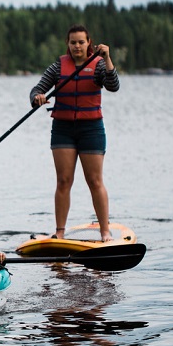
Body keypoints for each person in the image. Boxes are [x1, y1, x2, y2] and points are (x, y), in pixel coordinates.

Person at [29, 24, 120, 241]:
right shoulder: (58, 68)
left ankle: (104, 231)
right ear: (67, 44)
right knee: (63, 181)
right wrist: (37, 98)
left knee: (95, 181)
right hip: (63, 129)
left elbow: (113, 85)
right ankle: (60, 232)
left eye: (81, 42)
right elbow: (36, 90)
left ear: (89, 42)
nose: (77, 46)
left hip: (91, 129)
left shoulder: (97, 65)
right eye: (73, 42)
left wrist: (107, 59)